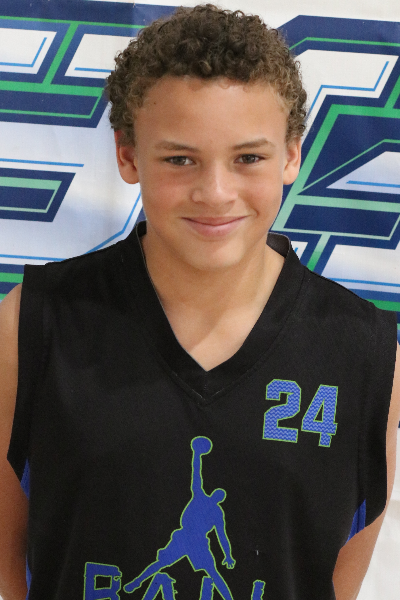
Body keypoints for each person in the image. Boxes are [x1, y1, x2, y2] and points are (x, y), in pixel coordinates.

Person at [0, 4, 399, 600]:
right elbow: (11, 561)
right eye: (180, 159)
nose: (215, 192)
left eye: (248, 158)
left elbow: (333, 575)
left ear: (291, 154)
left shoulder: (363, 351)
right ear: (128, 155)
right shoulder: (34, 322)